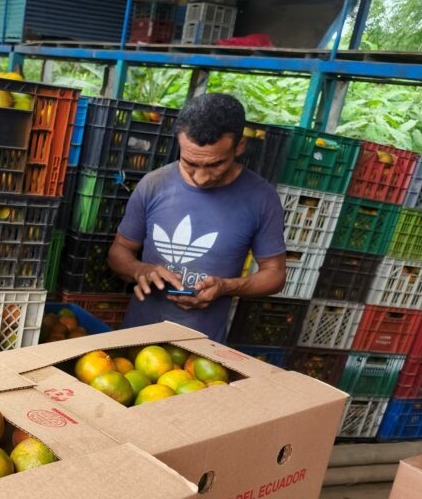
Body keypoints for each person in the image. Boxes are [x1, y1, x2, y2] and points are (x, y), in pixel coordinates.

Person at [107, 93, 287, 341]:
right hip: (137, 337)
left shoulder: (262, 198)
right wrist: (140, 270)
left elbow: (275, 274)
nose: (201, 178)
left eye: (215, 165)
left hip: (203, 349)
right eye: (190, 163)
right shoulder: (153, 185)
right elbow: (119, 251)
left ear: (240, 147)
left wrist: (226, 287)